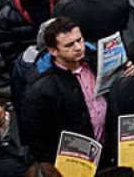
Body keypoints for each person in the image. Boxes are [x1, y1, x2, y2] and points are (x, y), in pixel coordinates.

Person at [19, 18, 103, 159]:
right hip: (76, 158)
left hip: (105, 148)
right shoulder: (41, 88)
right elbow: (36, 136)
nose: (78, 47)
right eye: (69, 45)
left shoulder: (96, 59)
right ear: (53, 51)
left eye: (79, 40)